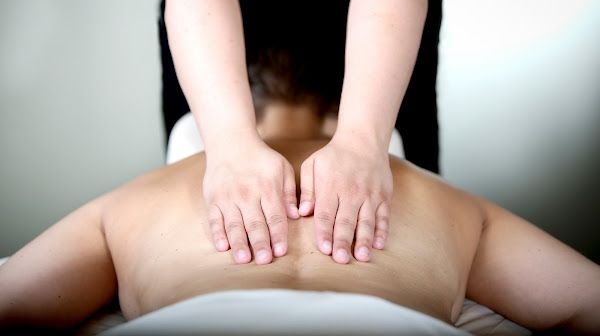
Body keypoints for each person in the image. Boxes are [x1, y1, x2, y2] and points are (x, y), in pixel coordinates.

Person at [1, 49, 599, 334]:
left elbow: (14, 306)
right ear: (346, 111)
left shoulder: (133, 200)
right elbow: (585, 303)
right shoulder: (445, 200)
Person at [142, 0, 443, 265]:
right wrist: (229, 146)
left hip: (384, 24)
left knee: (413, 215)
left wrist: (362, 144)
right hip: (208, 25)